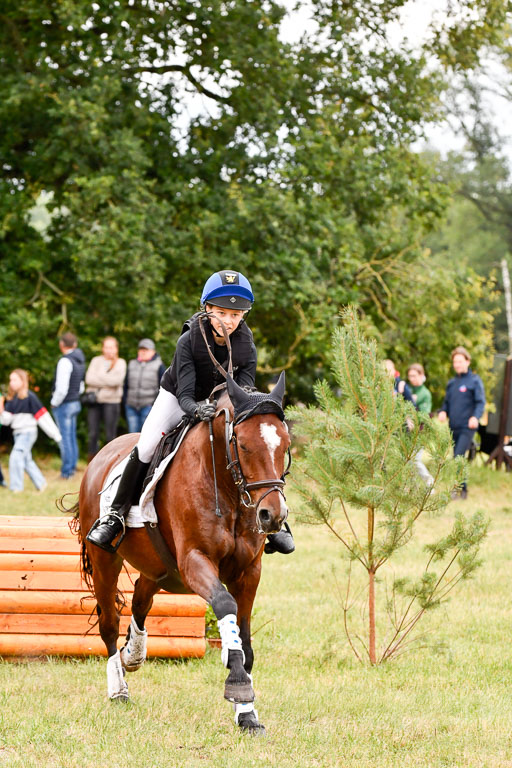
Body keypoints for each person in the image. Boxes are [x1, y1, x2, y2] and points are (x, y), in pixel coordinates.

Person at [86, 269, 295, 557]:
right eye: (222, 313)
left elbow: (243, 393)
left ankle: (277, 522)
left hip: (221, 402)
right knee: (147, 444)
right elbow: (185, 395)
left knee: (256, 443)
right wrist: (197, 409)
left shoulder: (247, 344)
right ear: (207, 309)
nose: (229, 321)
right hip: (177, 397)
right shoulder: (189, 340)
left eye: (236, 315)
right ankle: (115, 515)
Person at [0, 369, 61, 492]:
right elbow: (6, 420)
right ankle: (42, 484)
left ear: (23, 381)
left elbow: (43, 417)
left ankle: (16, 489)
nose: (12, 383)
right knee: (26, 460)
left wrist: (55, 435)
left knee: (16, 457)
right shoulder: (12, 399)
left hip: (27, 433)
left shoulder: (30, 396)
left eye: (15, 379)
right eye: (11, 380)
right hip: (17, 434)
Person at [438, 346, 486, 499]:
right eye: (455, 362)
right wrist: (443, 411)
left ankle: (457, 490)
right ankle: (462, 489)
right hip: (454, 426)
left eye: (460, 361)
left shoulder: (474, 381)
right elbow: (446, 403)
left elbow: (480, 402)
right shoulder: (452, 383)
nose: (457, 364)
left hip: (468, 426)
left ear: (467, 361)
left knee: (458, 456)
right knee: (458, 457)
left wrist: (475, 417)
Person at [84, 337, 127, 461]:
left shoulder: (121, 362)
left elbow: (117, 381)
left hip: (112, 402)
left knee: (110, 434)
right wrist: (108, 380)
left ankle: (110, 461)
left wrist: (99, 379)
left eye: (111, 347)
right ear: (103, 348)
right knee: (93, 433)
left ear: (116, 348)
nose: (109, 350)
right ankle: (91, 461)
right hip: (94, 402)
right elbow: (89, 379)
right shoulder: (96, 361)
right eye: (106, 347)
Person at [51, 331, 86, 479]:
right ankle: (72, 468)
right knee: (71, 437)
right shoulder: (79, 360)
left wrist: (54, 403)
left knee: (65, 438)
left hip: (65, 404)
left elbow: (62, 388)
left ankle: (66, 472)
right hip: (75, 401)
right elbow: (81, 386)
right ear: (75, 344)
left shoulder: (65, 361)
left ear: (61, 344)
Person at [124, 339, 166, 434]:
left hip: (148, 405)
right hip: (131, 406)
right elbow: (125, 385)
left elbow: (163, 387)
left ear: (153, 351)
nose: (143, 352)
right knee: (132, 435)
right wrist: (126, 401)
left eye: (146, 350)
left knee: (146, 434)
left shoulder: (159, 365)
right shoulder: (132, 364)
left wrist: (154, 404)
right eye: (141, 349)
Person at [407, 363, 434, 487]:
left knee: (415, 460)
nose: (412, 378)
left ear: (421, 375)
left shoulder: (425, 393)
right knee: (408, 460)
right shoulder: (409, 389)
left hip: (419, 430)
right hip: (407, 431)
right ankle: (413, 487)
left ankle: (429, 482)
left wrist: (413, 419)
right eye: (410, 376)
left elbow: (424, 414)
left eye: (414, 375)